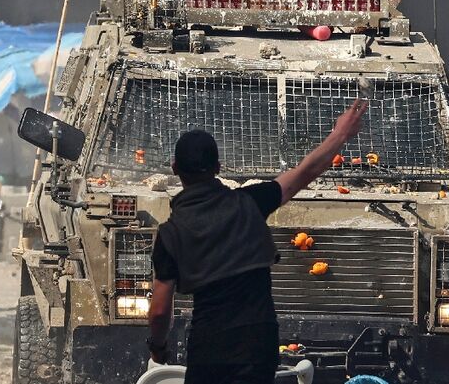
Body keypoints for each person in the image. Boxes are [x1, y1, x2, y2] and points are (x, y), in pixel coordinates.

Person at [147, 98, 369, 384]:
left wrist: (158, 348)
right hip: (258, 344)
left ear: (175, 169)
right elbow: (305, 172)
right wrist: (340, 134)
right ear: (218, 167)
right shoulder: (250, 202)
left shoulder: (170, 235)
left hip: (209, 347)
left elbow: (161, 310)